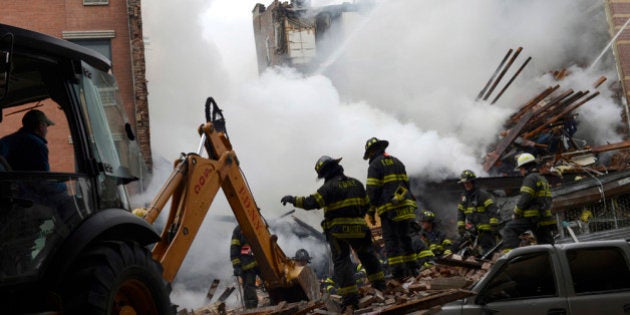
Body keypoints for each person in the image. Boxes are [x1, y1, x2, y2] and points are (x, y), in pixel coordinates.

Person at [281, 155, 386, 313]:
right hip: (359, 228)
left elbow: (311, 203)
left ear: (324, 174)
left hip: (338, 231)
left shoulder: (328, 188)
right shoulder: (356, 184)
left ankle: (351, 300)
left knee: (342, 261)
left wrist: (292, 199)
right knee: (368, 257)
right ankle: (381, 288)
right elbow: (367, 206)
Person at [363, 137, 418, 279]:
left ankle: (398, 274)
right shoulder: (397, 161)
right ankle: (413, 270)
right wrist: (399, 198)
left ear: (371, 152)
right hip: (404, 208)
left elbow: (372, 190)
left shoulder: (375, 165)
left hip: (389, 211)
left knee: (391, 241)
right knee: (406, 238)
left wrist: (370, 210)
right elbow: (406, 186)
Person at [502, 153, 556, 252]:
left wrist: (517, 212)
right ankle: (551, 259)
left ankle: (510, 256)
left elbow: (526, 197)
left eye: (521, 169)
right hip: (544, 218)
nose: (521, 172)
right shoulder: (542, 178)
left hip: (533, 217)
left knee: (509, 229)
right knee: (546, 245)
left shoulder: (530, 178)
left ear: (525, 168)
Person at [456, 169, 499, 256]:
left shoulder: (482, 195)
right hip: (472, 229)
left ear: (473, 182)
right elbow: (461, 212)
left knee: (487, 250)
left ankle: (488, 266)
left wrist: (493, 224)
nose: (466, 185)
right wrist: (461, 226)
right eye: (464, 183)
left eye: (468, 183)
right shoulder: (464, 197)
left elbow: (492, 209)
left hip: (485, 229)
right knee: (462, 246)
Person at [230, 225, 259, 309]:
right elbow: (234, 249)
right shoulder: (238, 230)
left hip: (261, 263)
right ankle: (251, 309)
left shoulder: (257, 224)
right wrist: (236, 266)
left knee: (271, 283)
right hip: (247, 264)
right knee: (248, 287)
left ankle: (276, 301)